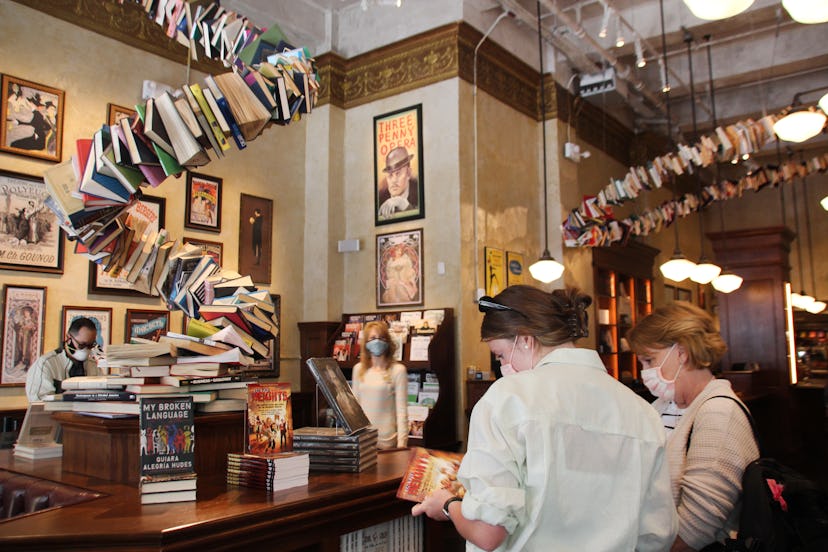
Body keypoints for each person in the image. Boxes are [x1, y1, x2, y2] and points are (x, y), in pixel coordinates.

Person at [412, 285, 677, 551]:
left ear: (525, 339)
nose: (503, 366)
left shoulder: (507, 398)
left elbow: (488, 531)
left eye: (501, 355)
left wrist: (448, 504)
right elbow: (657, 534)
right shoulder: (643, 412)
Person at [627, 301, 759, 552]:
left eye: (648, 360)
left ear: (682, 353)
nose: (644, 371)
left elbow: (699, 524)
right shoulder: (662, 406)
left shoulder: (719, 412)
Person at [350, 321, 408, 450]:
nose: (377, 341)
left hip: (388, 443)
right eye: (372, 338)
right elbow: (355, 409)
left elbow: (402, 411)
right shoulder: (358, 369)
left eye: (381, 338)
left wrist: (402, 445)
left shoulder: (398, 370)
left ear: (388, 342)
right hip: (363, 441)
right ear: (366, 343)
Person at [25, 317, 102, 402]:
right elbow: (39, 402)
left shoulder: (94, 366)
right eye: (82, 345)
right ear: (69, 338)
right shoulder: (45, 364)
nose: (86, 350)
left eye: (90, 346)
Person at [377, 146, 419, 220]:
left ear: (408, 173)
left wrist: (404, 205)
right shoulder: (380, 197)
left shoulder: (418, 191)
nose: (394, 180)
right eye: (390, 175)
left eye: (398, 173)